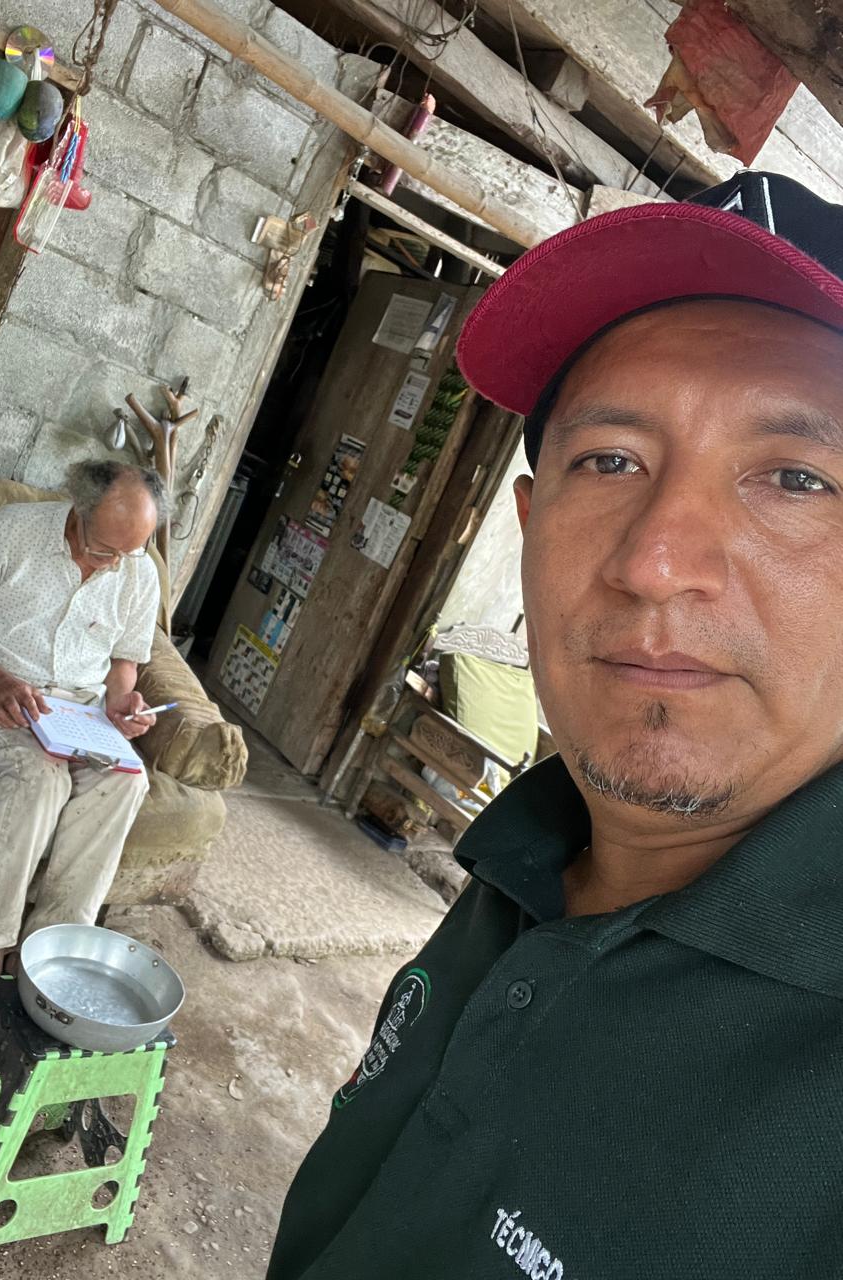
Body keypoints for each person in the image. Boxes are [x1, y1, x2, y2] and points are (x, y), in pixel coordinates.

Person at [268, 171, 843, 1278]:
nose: (652, 562)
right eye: (609, 461)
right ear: (530, 525)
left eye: (793, 477)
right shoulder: (525, 860)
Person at [0, 460, 164, 1040]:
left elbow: (124, 661)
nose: (114, 564)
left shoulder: (138, 568)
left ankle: (48, 957)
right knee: (39, 778)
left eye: (129, 553)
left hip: (76, 708)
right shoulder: (14, 530)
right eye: (103, 550)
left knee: (127, 780)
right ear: (78, 511)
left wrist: (123, 703)